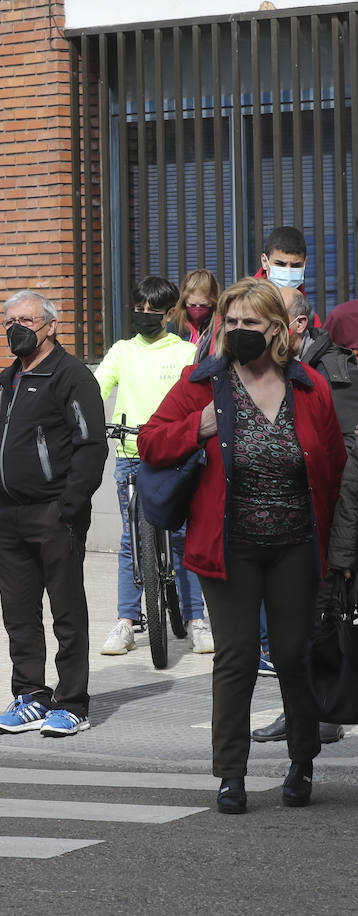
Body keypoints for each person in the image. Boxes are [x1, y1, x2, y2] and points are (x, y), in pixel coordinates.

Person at [138, 278, 345, 814]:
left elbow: (333, 469)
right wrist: (196, 426)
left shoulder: (309, 388)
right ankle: (231, 773)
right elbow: (150, 440)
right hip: (227, 546)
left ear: (276, 329)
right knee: (237, 657)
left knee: (294, 656)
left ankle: (302, 761)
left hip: (296, 546)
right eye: (230, 323)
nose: (237, 331)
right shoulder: (202, 383)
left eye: (249, 323)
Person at [0, 290, 107, 738]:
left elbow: (91, 446)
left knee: (66, 612)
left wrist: (70, 507)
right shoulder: (5, 380)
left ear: (51, 325)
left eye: (27, 320)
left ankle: (73, 702)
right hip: (8, 516)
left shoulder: (71, 377)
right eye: (9, 320)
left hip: (55, 514)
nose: (17, 327)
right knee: (19, 614)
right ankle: (31, 696)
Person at [249, 283, 353, 746]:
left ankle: (320, 711)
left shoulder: (334, 374)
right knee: (295, 630)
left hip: (327, 522)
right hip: (286, 524)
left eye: (271, 318)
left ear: (296, 325)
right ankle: (305, 711)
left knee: (321, 624)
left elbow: (345, 460)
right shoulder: (274, 369)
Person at [96, 276, 212, 656]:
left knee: (183, 539)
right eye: (139, 308)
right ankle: (126, 622)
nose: (144, 315)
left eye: (152, 310)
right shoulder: (122, 351)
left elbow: (198, 395)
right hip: (131, 453)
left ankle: (197, 621)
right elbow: (95, 386)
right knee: (131, 541)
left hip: (175, 455)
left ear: (167, 314)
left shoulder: (182, 352)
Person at [164, 268, 219, 359]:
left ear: (213, 301)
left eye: (203, 305)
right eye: (192, 305)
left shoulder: (220, 325)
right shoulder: (173, 326)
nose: (197, 309)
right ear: (184, 301)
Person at [255, 225, 308, 293]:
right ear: (264, 261)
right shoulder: (248, 300)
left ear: (305, 263)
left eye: (295, 265)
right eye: (280, 264)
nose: (288, 272)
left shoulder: (299, 292)